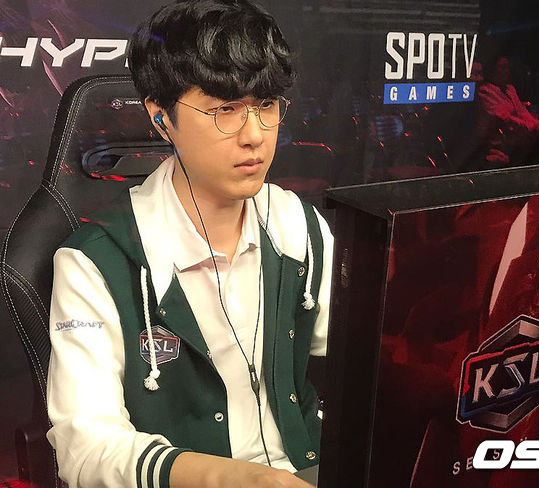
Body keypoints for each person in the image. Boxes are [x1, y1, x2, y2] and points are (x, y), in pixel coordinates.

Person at [45, 1, 333, 487]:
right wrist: (241, 480)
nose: (255, 136)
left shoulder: (296, 225)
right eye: (224, 110)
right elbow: (86, 448)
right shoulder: (95, 262)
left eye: (266, 105)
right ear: (161, 117)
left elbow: (353, 353)